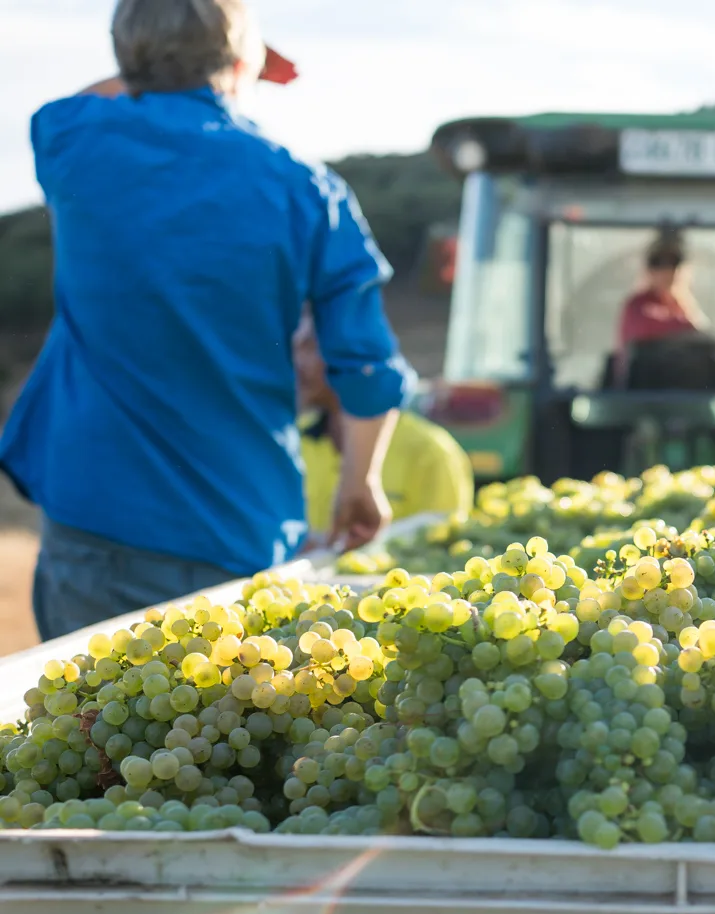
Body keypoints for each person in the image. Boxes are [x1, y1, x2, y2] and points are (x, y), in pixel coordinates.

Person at [0, 0, 414, 641]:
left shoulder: (70, 138)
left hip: (91, 513)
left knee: (82, 730)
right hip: (235, 527)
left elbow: (109, 90)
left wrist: (167, 58)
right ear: (243, 60)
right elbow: (365, 366)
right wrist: (358, 484)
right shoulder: (306, 187)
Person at [293, 313, 473, 539]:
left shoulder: (431, 453)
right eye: (295, 348)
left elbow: (446, 549)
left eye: (310, 348)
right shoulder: (291, 442)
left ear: (355, 358)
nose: (298, 362)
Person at [612, 231, 711, 387]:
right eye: (658, 262)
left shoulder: (686, 307)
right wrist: (691, 330)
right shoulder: (636, 305)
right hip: (641, 397)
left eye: (674, 262)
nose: (667, 271)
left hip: (685, 395)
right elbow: (645, 327)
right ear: (648, 269)